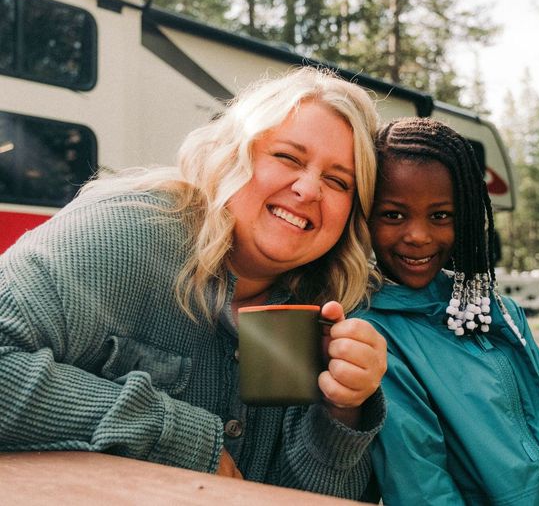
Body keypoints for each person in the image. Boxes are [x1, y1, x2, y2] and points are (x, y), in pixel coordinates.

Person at [0, 67, 388, 500]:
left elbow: (306, 496)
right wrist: (180, 438)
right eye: (288, 158)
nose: (308, 188)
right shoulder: (125, 233)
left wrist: (343, 411)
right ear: (231, 154)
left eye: (338, 181)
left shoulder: (327, 304)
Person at [360, 117, 539, 504]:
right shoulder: (372, 333)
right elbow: (421, 485)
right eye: (393, 215)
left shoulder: (502, 311)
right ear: (365, 216)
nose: (418, 235)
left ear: (466, 218)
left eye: (441, 216)